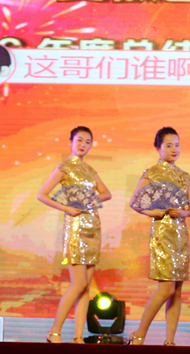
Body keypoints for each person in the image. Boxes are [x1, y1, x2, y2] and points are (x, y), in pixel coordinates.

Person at [37, 126, 112, 344]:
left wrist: (90, 199)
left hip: (93, 227)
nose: (83, 145)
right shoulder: (64, 168)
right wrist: (66, 208)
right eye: (79, 140)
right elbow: (42, 194)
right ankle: (54, 331)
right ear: (70, 142)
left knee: (86, 286)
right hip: (76, 227)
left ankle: (78, 336)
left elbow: (106, 193)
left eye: (87, 142)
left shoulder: (90, 170)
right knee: (78, 284)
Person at [126, 127, 190, 345]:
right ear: (158, 148)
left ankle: (170, 341)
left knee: (176, 291)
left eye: (177, 145)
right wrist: (151, 212)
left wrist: (183, 213)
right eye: (168, 145)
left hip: (180, 235)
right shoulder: (151, 172)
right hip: (162, 234)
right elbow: (134, 202)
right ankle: (139, 334)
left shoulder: (184, 176)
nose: (174, 149)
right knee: (166, 289)